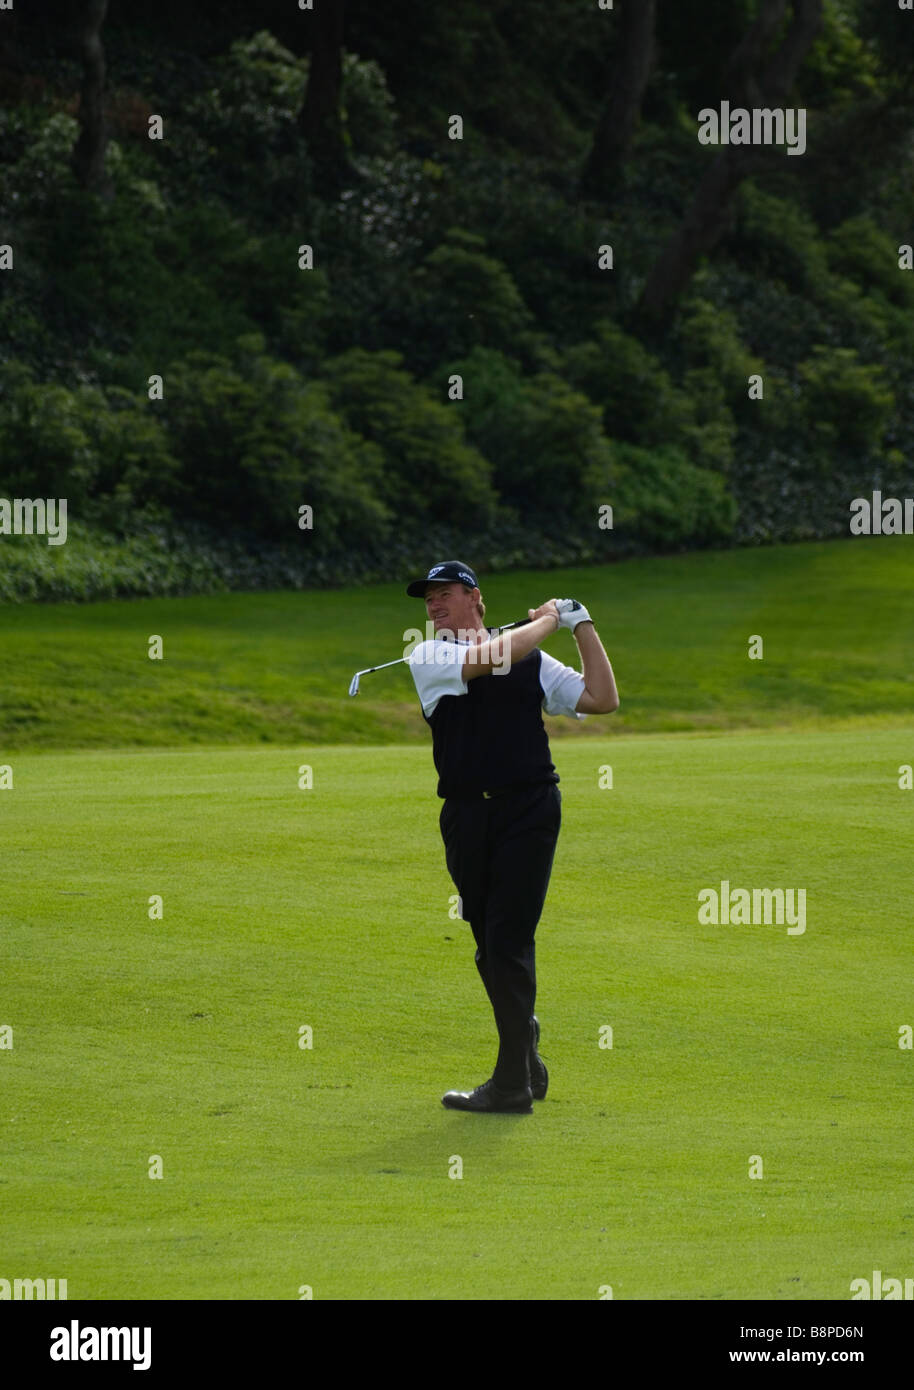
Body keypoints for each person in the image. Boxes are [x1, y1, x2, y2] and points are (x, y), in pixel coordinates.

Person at [404, 560, 620, 1114]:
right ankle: (524, 1046)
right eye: (428, 599)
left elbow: (600, 699)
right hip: (466, 818)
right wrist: (549, 619)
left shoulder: (533, 657)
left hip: (529, 810)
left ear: (476, 598)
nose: (433, 606)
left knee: (508, 940)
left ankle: (510, 1085)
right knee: (487, 946)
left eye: (444, 594)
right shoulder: (430, 656)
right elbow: (490, 658)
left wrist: (581, 624)